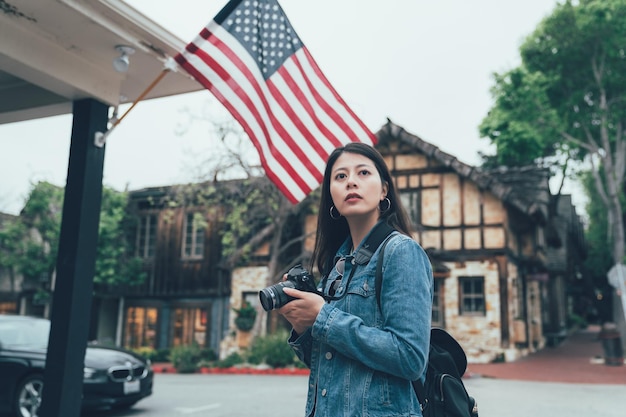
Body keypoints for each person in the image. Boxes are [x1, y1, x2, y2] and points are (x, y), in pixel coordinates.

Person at [279, 142, 434, 417]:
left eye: (363, 173)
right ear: (332, 195)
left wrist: (324, 318)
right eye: (340, 176)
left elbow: (410, 357)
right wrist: (303, 326)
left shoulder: (401, 252)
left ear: (384, 189)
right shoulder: (336, 265)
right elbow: (327, 363)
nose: (351, 182)